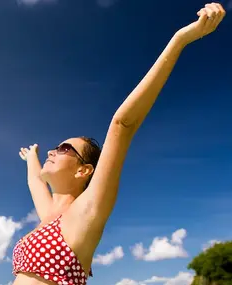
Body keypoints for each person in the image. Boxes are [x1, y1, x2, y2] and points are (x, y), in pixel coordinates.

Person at [12, 3, 226, 285]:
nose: (54, 150)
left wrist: (179, 40)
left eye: (64, 149)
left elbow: (122, 125)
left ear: (84, 171)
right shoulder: (50, 215)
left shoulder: (88, 210)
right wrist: (32, 159)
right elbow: (35, 184)